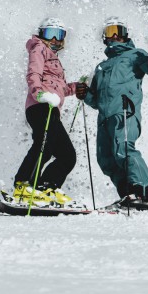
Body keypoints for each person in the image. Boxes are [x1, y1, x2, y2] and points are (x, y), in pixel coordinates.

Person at [77, 17, 148, 209]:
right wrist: (85, 94)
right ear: (104, 37)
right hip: (104, 119)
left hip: (125, 111)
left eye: (119, 30)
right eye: (110, 31)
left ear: (126, 34)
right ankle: (129, 195)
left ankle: (146, 195)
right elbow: (96, 100)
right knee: (106, 160)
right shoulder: (101, 67)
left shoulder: (135, 55)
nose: (115, 35)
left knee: (124, 150)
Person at [11, 17, 88, 206]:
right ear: (41, 34)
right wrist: (40, 94)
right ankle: (23, 185)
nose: (54, 40)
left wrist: (76, 87)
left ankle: (46, 187)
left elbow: (60, 88)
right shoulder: (39, 48)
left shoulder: (56, 62)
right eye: (49, 34)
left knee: (67, 155)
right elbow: (33, 74)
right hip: (40, 106)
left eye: (59, 35)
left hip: (52, 108)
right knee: (43, 147)